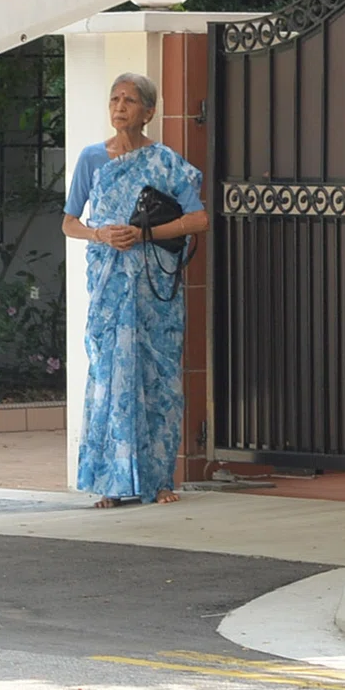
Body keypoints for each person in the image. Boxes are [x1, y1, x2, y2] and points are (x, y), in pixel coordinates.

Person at [62, 73, 208, 508]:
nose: (120, 107)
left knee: (157, 377)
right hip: (109, 283)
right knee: (109, 375)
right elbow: (70, 222)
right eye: (114, 99)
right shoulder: (92, 159)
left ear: (149, 111)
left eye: (129, 100)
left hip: (154, 284)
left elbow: (198, 219)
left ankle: (159, 480)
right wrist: (100, 236)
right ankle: (110, 482)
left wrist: (146, 235)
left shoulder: (165, 162)